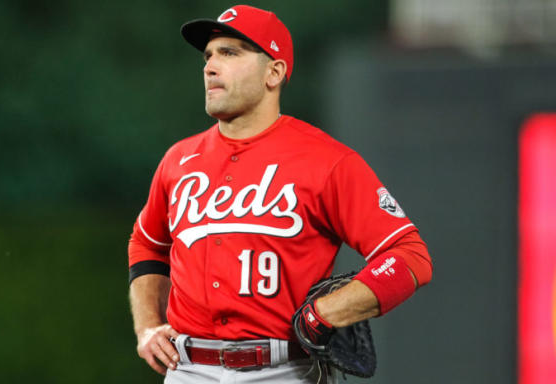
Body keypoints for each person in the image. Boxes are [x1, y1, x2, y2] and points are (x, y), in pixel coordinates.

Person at [128, 5, 432, 383]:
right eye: (208, 55)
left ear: (274, 72)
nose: (209, 66)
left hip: (282, 370)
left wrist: (328, 311)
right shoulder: (179, 160)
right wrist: (147, 327)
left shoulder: (327, 161)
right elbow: (147, 243)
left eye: (230, 52)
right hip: (188, 369)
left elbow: (409, 257)